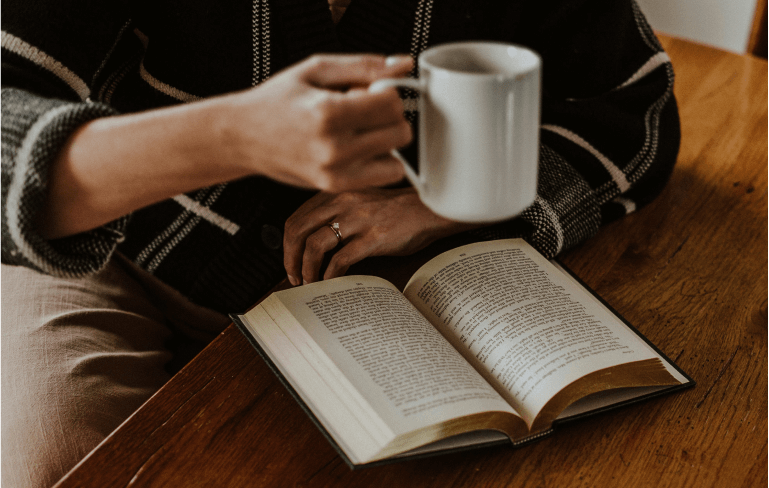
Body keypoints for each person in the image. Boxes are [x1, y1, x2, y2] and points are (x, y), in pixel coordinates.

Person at [0, 0, 680, 486]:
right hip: (119, 248)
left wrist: (448, 201)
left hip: (393, 293)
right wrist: (230, 135)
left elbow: (632, 112)